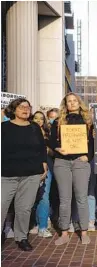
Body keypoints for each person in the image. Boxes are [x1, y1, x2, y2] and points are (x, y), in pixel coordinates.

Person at [1, 98, 48, 251]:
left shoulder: (34, 127)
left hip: (31, 174)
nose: (25, 109)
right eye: (21, 107)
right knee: (1, 206)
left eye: (28, 107)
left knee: (24, 208)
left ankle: (21, 237)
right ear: (13, 110)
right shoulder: (4, 127)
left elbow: (41, 148)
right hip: (7, 174)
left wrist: (44, 165)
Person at [50, 93, 94, 246]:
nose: (73, 103)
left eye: (75, 100)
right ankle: (64, 232)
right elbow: (50, 141)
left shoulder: (88, 121)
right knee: (64, 199)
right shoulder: (58, 121)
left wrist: (88, 156)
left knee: (82, 198)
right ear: (65, 104)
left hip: (80, 162)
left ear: (79, 103)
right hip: (62, 162)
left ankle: (83, 232)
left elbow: (94, 142)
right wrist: (57, 149)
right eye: (69, 101)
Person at [29, 111, 54, 238]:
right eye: (36, 118)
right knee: (32, 198)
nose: (38, 120)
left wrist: (47, 149)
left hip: (47, 169)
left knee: (44, 197)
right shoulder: (26, 133)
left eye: (41, 119)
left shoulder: (48, 136)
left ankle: (43, 227)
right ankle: (37, 223)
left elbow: (54, 153)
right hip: (29, 169)